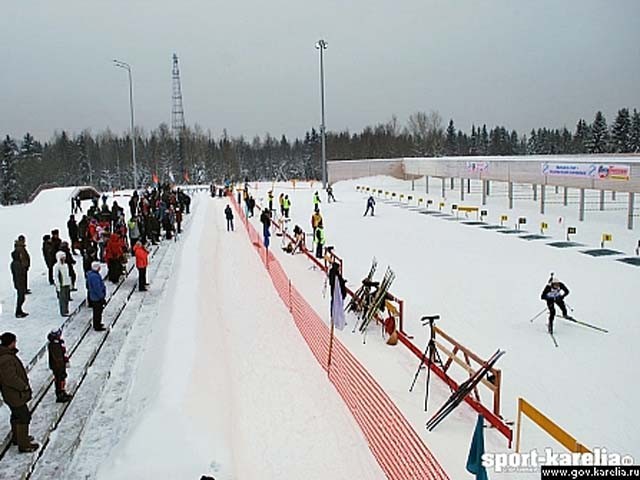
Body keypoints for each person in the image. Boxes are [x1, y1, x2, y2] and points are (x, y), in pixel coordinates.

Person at [0, 332, 39, 453]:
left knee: (17, 415)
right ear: (11, 343)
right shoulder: (6, 359)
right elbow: (10, 378)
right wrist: (23, 386)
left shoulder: (6, 355)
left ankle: (18, 438)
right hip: (14, 394)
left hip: (12, 394)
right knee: (24, 416)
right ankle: (24, 444)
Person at [47, 329, 72, 402]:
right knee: (59, 380)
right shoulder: (54, 345)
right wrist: (63, 364)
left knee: (62, 379)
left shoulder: (58, 343)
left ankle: (62, 392)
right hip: (58, 367)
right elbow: (58, 358)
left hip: (60, 365)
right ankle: (60, 395)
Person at [86, 261, 107, 331]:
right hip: (97, 298)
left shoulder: (91, 275)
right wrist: (102, 297)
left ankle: (97, 323)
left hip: (94, 296)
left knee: (97, 311)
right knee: (98, 312)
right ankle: (97, 325)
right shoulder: (95, 277)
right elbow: (97, 288)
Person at [53, 251, 72, 316]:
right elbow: (55, 276)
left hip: (66, 283)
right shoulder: (56, 266)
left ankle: (66, 310)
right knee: (62, 299)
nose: (64, 259)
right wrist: (58, 285)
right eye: (62, 258)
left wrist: (70, 283)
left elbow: (68, 275)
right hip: (61, 285)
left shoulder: (66, 265)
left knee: (66, 298)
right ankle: (63, 311)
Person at [329, 262, 347, 330]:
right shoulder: (336, 275)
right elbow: (338, 283)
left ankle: (334, 316)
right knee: (336, 304)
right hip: (336, 293)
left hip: (334, 291)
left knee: (334, 303)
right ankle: (335, 317)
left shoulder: (333, 273)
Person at [10, 251, 28, 318]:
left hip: (19, 283)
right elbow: (19, 275)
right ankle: (18, 312)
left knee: (21, 297)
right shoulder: (17, 264)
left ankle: (19, 310)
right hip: (20, 283)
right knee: (21, 297)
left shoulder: (15, 263)